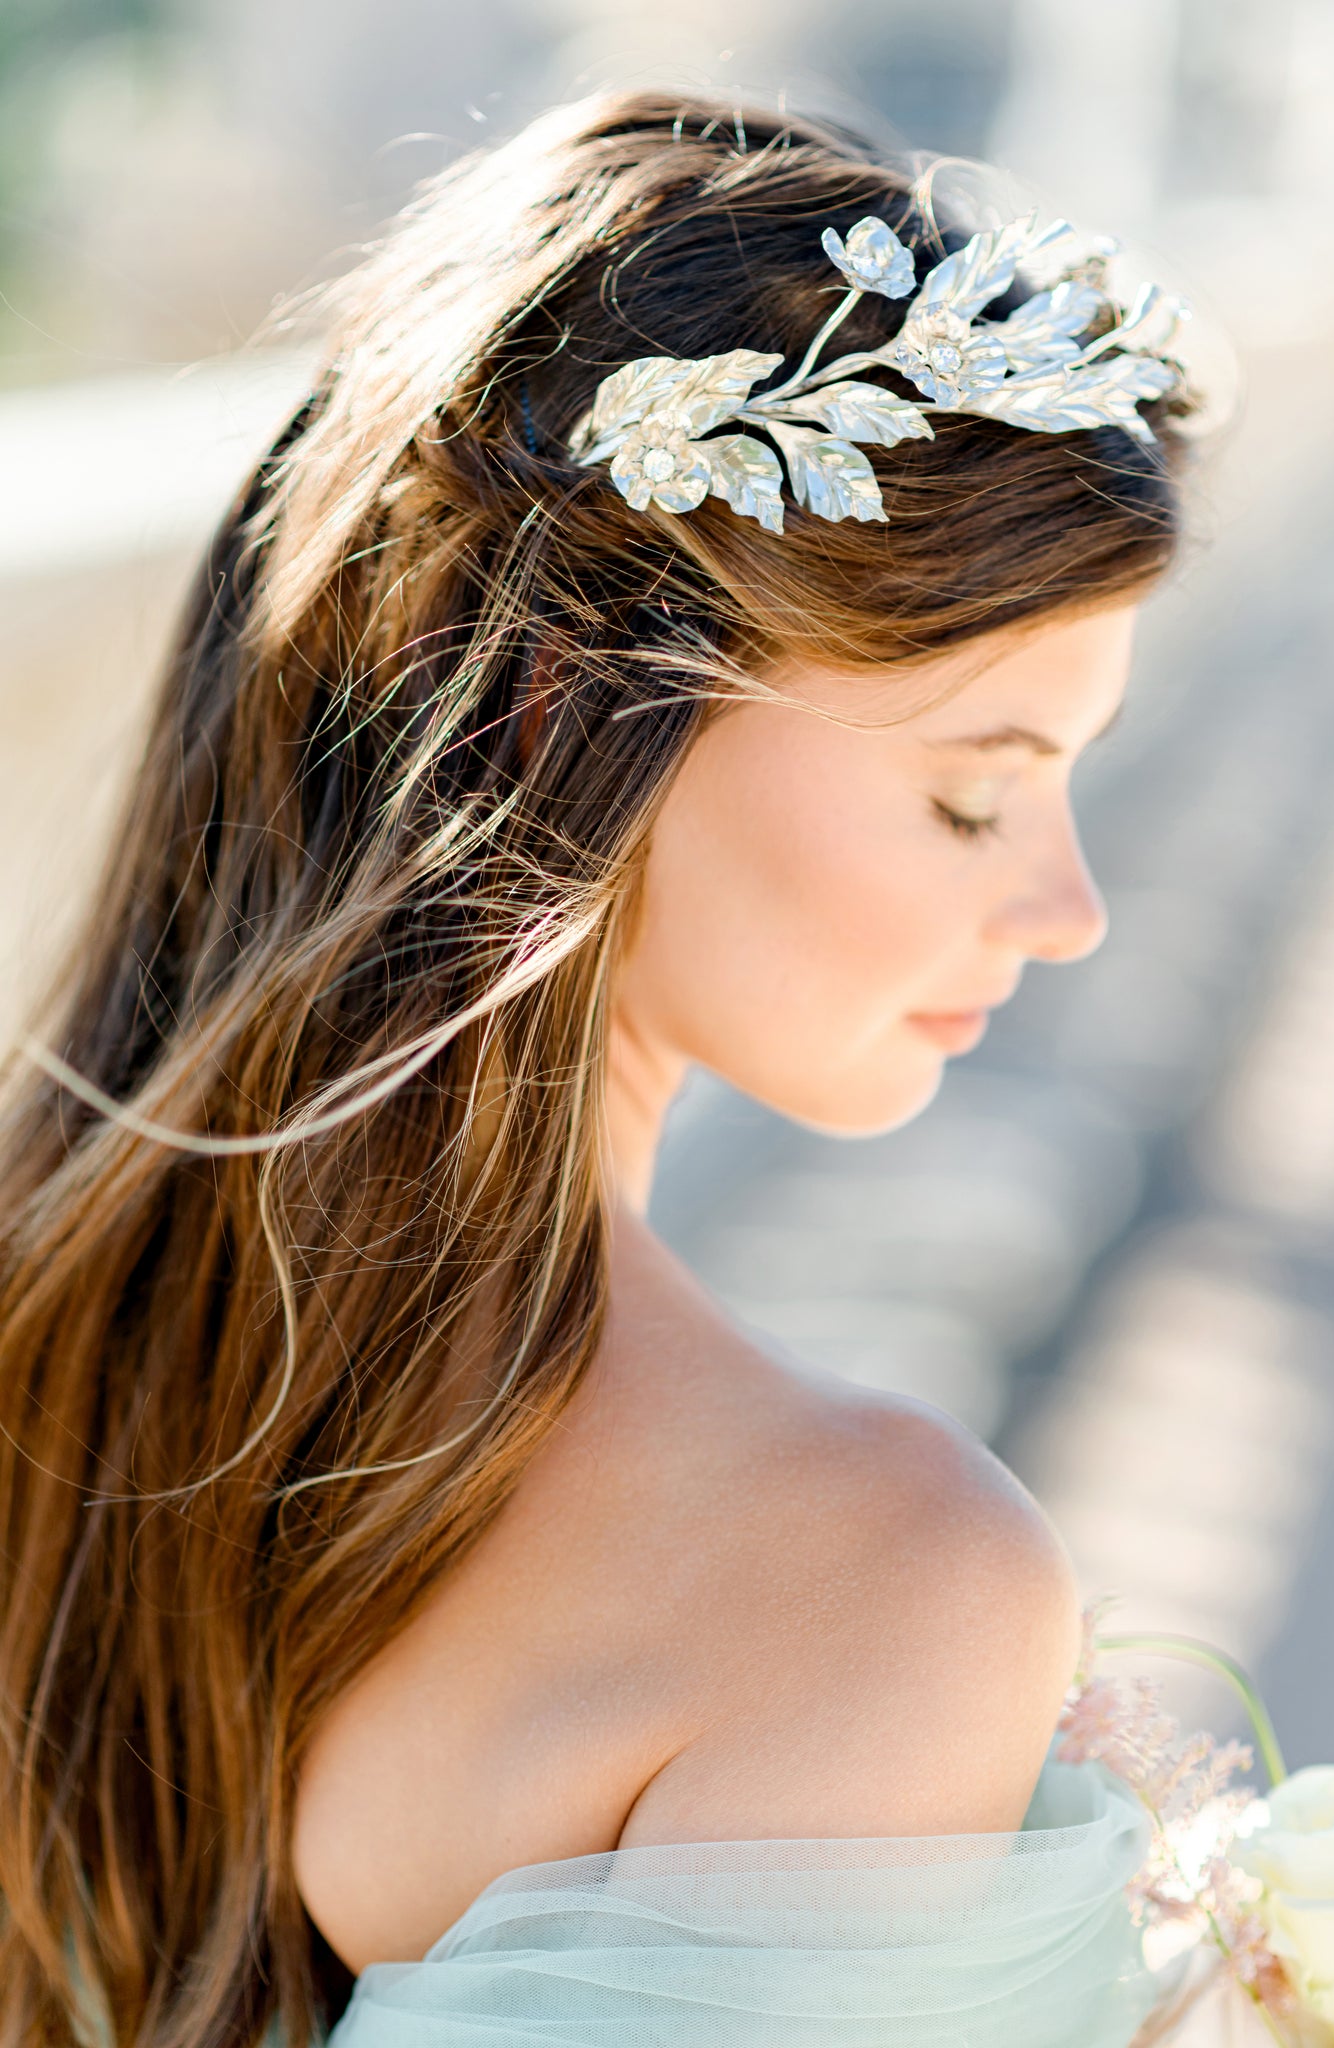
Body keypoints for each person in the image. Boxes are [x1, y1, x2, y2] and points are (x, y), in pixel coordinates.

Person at [0, 89, 1202, 2048]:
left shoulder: (67, 1357)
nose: (1068, 908)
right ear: (569, 700)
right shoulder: (882, 1580)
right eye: (974, 796)